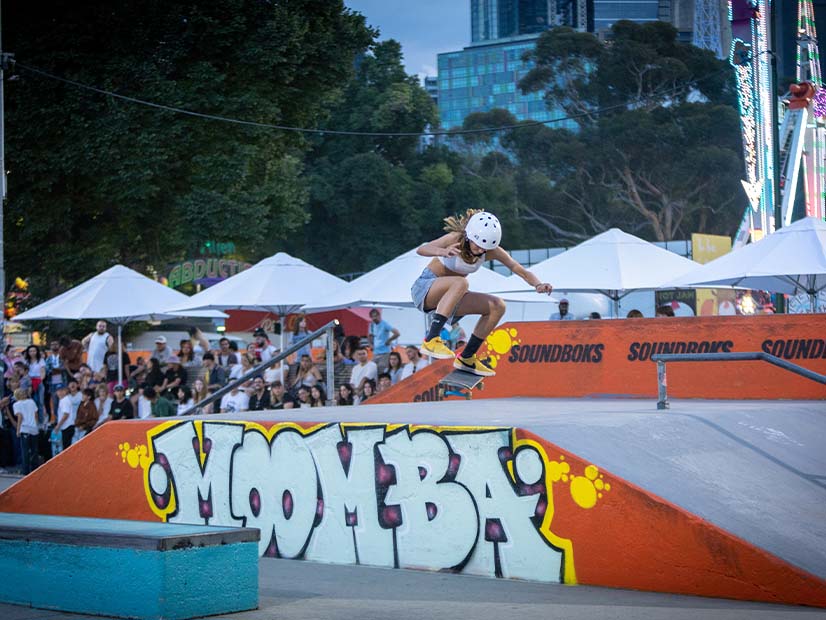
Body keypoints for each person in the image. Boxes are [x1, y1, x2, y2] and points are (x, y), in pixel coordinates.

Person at [414, 210, 552, 376]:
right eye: (477, 245)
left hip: (451, 298)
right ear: (469, 236)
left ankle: (467, 357)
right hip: (425, 290)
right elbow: (422, 249)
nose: (479, 251)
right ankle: (431, 339)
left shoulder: (491, 251)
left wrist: (538, 284)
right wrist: (442, 251)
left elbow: (518, 268)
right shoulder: (455, 238)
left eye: (484, 248)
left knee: (497, 306)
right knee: (461, 282)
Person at [12, 388, 39, 474]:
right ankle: (35, 469)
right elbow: (36, 415)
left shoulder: (16, 404)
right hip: (34, 428)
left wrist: (18, 430)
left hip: (25, 428)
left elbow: (20, 416)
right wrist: (36, 425)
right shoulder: (31, 402)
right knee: (34, 450)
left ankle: (25, 471)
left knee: (25, 451)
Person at [23, 345, 46, 425]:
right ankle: (31, 420)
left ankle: (40, 421)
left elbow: (43, 371)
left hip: (38, 381)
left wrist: (40, 380)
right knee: (30, 401)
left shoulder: (41, 360)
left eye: (34, 351)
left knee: (40, 402)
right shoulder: (26, 361)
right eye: (30, 351)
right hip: (29, 382)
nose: (32, 353)